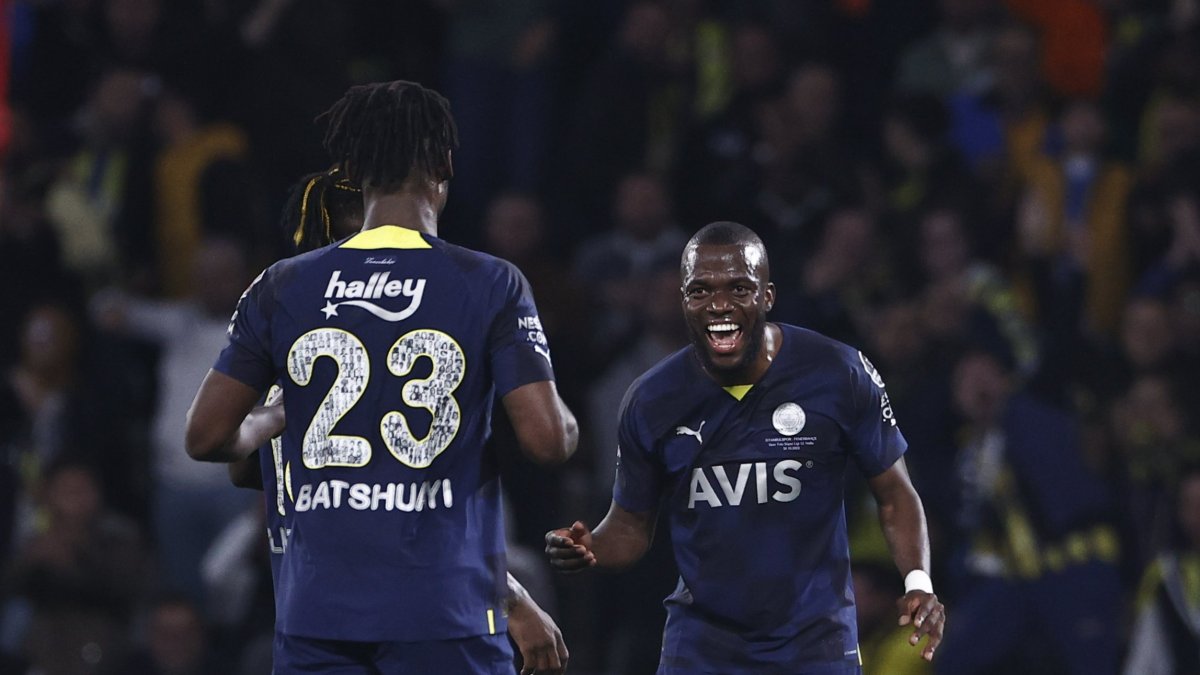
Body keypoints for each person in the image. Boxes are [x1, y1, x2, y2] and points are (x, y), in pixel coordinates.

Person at [185, 80, 577, 674]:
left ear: (355, 169)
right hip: (446, 612)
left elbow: (209, 440)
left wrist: (274, 414)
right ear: (444, 162)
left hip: (314, 615)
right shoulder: (490, 282)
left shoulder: (281, 287)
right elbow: (547, 442)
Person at [546, 221, 945, 673]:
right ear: (683, 301)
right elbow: (632, 524)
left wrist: (918, 581)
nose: (719, 305)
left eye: (739, 288)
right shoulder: (651, 399)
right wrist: (591, 545)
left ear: (767, 296)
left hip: (815, 646)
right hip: (702, 649)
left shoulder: (839, 373)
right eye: (701, 291)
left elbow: (894, 495)